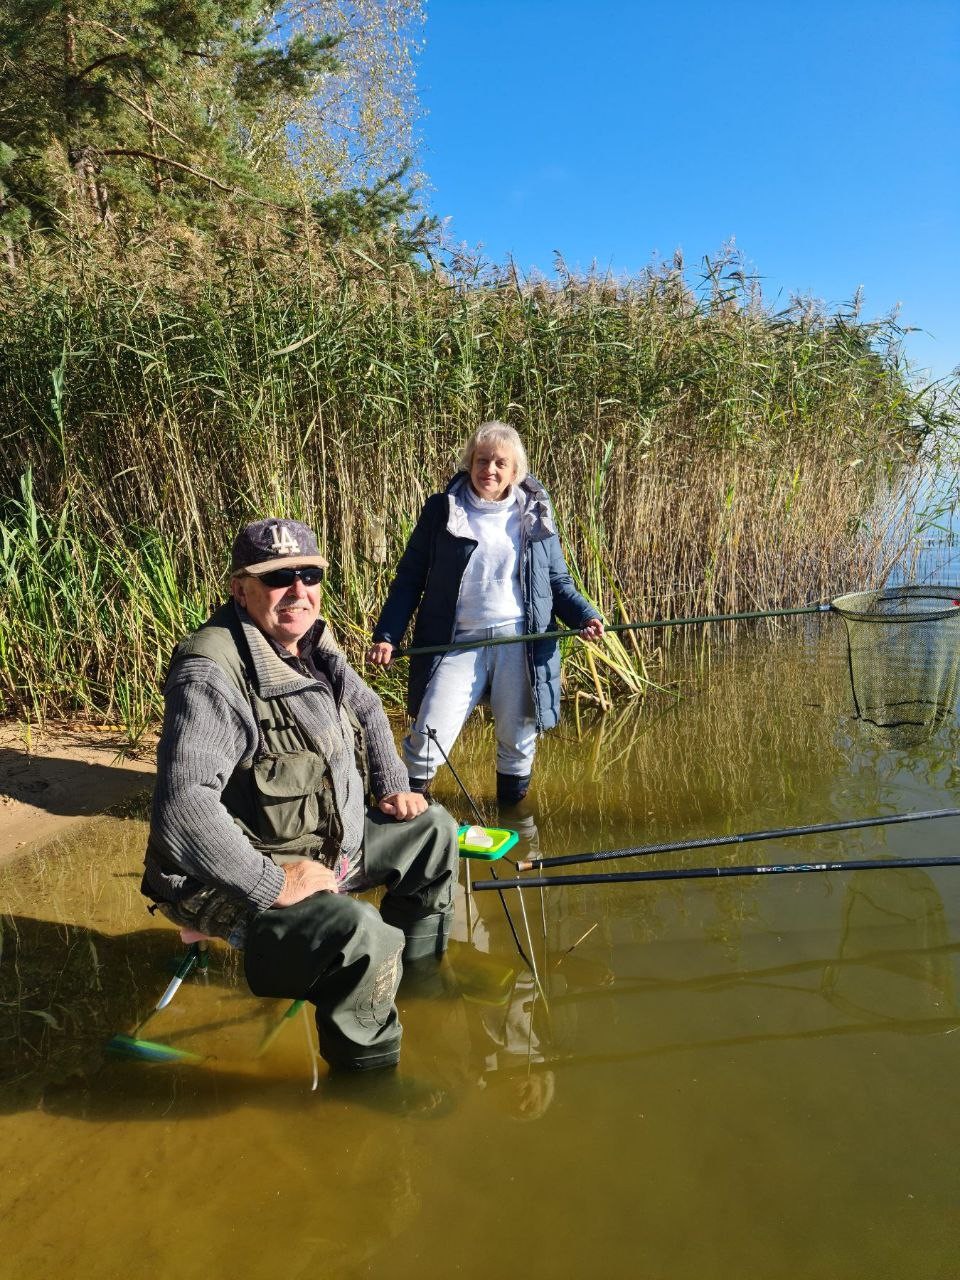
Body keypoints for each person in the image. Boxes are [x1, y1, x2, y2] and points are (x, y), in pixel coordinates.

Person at [141, 517, 460, 1075]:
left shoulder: (310, 638)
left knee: (433, 831)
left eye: (310, 576)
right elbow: (183, 809)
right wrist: (275, 884)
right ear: (240, 589)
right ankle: (368, 1081)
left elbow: (366, 706)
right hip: (234, 876)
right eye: (277, 577)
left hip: (327, 847)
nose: (298, 591)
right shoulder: (211, 673)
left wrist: (392, 783)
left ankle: (419, 986)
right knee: (363, 936)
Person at [367, 421, 603, 805]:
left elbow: (557, 581)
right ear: (469, 463)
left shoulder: (535, 512)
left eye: (499, 463)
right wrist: (387, 635)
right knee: (428, 737)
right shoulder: (442, 510)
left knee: (518, 740)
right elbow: (409, 578)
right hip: (458, 641)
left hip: (520, 642)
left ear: (515, 471)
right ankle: (405, 815)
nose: (488, 470)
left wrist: (585, 617)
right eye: (481, 460)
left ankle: (513, 823)